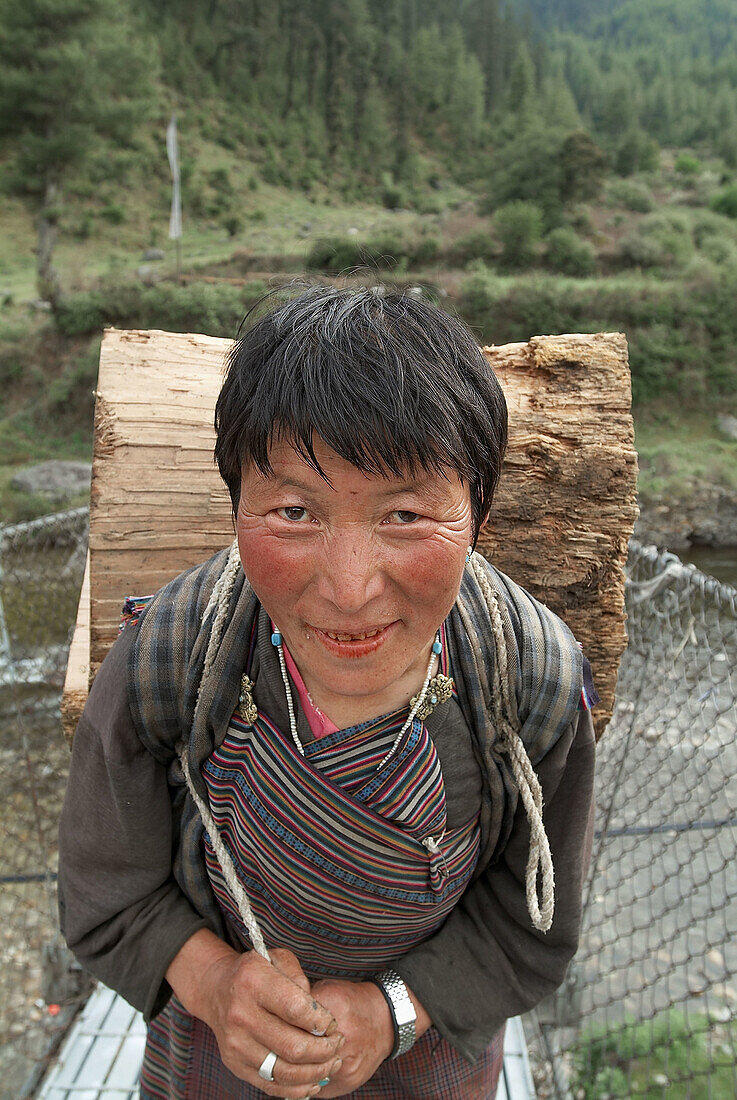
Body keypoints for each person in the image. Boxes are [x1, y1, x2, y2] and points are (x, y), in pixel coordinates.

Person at [58, 284, 596, 1100]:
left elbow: (532, 924)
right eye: (294, 511)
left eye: (407, 515)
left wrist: (392, 1014)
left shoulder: (533, 683)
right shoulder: (171, 655)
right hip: (220, 1053)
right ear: (235, 503)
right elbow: (108, 891)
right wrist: (215, 986)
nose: (349, 592)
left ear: (476, 514)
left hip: (428, 1055)